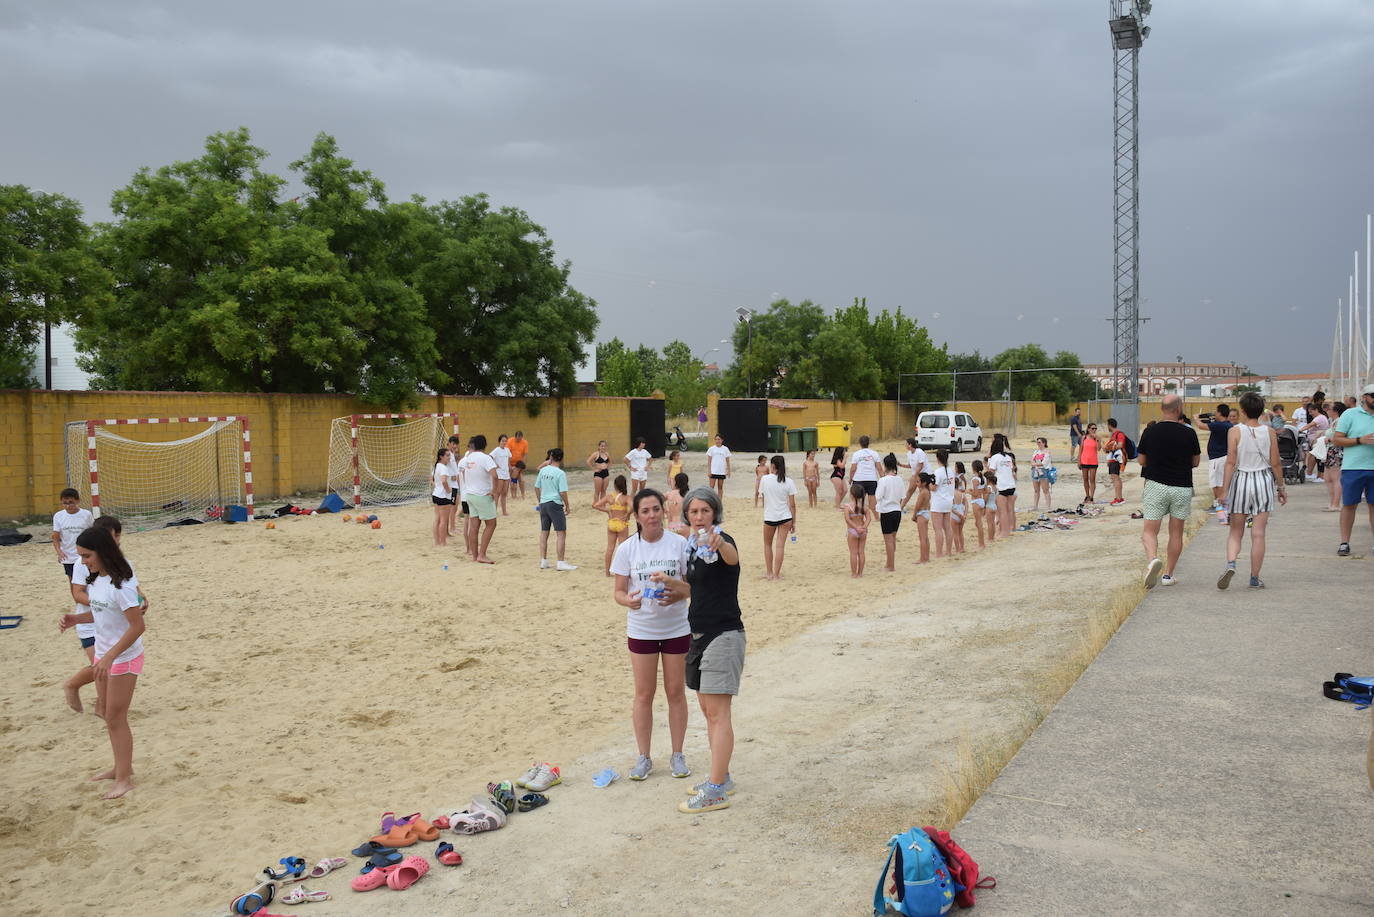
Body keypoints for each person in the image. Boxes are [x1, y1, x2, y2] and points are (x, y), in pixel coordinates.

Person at [654, 487, 743, 814]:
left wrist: (720, 544)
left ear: (715, 513)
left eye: (705, 511)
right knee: (709, 712)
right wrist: (671, 583)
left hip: (724, 634)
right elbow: (697, 589)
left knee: (719, 714)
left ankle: (717, 789)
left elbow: (731, 557)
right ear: (687, 515)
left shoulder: (721, 541)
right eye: (694, 511)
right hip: (700, 633)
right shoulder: (692, 547)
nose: (700, 516)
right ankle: (723, 777)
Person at [610, 489, 691, 783]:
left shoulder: (679, 544)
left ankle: (678, 754)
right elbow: (618, 591)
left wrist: (676, 590)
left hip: (676, 627)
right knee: (644, 694)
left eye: (656, 509)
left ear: (664, 511)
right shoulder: (628, 549)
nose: (652, 515)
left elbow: (693, 587)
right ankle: (644, 757)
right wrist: (627, 601)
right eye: (645, 511)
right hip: (642, 628)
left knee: (675, 692)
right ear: (637, 517)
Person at [59, 526, 145, 799]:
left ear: (102, 552)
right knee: (110, 717)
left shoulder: (122, 585)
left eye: (86, 556)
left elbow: (137, 626)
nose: (83, 562)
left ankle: (124, 779)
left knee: (115, 718)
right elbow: (103, 614)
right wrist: (77, 619)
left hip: (123, 658)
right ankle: (121, 768)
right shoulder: (99, 581)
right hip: (106, 655)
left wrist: (109, 656)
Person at [62, 515, 146, 716]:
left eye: (118, 535)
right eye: (111, 536)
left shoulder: (124, 564)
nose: (115, 539)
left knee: (105, 671)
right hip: (91, 624)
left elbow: (133, 589)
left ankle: (103, 712)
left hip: (113, 625)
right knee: (100, 668)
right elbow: (77, 593)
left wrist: (142, 598)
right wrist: (104, 604)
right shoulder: (84, 563)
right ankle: (72, 686)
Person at [1218, 392, 1285, 590]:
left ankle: (1231, 563)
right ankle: (1255, 578)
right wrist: (1281, 487)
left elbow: (1230, 462)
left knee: (1236, 531)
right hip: (1263, 481)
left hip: (1241, 480)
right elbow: (1275, 463)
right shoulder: (1269, 432)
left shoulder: (1235, 431)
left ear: (1243, 411)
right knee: (1258, 533)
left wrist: (1224, 490)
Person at [1138, 394, 1201, 588]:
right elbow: (1196, 462)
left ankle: (1152, 561)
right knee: (1176, 532)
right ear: (1179, 409)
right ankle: (1168, 575)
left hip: (1156, 484)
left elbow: (1141, 460)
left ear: (1161, 408)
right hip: (1181, 486)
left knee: (1150, 531)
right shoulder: (1189, 433)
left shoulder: (1150, 431)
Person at [1332, 383, 1374, 557]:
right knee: (1349, 505)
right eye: (1373, 396)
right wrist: (1359, 440)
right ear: (1364, 397)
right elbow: (1337, 440)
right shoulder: (1350, 414)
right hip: (1353, 467)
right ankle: (1344, 542)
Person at [52, 487, 94, 656]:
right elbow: (55, 537)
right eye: (65, 503)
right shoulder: (59, 516)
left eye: (71, 502)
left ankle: (93, 609)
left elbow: (93, 533)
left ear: (77, 501)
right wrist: (59, 552)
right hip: (69, 558)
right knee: (74, 586)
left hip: (85, 555)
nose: (68, 506)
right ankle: (81, 613)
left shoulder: (86, 515)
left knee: (91, 581)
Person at [533, 448, 576, 571]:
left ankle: (543, 560)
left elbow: (536, 487)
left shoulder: (543, 470)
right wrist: (567, 505)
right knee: (561, 533)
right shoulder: (560, 473)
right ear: (561, 459)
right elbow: (563, 492)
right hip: (555, 504)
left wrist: (540, 500)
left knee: (544, 532)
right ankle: (560, 562)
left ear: (551, 457)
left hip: (544, 503)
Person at [758, 455, 797, 581]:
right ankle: (776, 574)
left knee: (767, 545)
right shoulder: (789, 481)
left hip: (770, 516)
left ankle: (769, 573)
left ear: (773, 465)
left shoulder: (765, 479)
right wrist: (794, 521)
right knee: (780, 546)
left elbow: (763, 497)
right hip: (785, 516)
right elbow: (792, 504)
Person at [461, 434, 499, 564]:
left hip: (470, 494)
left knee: (474, 526)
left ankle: (475, 556)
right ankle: (482, 555)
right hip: (482, 495)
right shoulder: (485, 458)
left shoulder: (468, 458)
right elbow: (494, 475)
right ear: (485, 445)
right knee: (491, 524)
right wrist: (494, 491)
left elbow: (464, 474)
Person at [1193, 404, 1234, 519]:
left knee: (1218, 483)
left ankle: (1220, 506)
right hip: (1218, 458)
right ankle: (1219, 505)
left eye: (1216, 412)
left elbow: (1201, 426)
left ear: (1220, 413)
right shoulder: (1225, 425)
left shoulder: (1221, 425)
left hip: (1219, 458)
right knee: (1215, 483)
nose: (1215, 414)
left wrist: (1196, 418)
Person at [594, 475, 632, 575]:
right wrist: (627, 514)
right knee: (623, 548)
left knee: (610, 548)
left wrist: (607, 510)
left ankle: (607, 572)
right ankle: (622, 571)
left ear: (615, 485)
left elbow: (595, 505)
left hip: (612, 523)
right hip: (622, 524)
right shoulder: (626, 498)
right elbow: (633, 507)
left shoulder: (609, 497)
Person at [875, 454, 905, 571]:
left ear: (886, 466)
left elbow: (878, 496)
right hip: (897, 511)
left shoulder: (884, 480)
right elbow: (902, 497)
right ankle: (889, 563)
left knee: (888, 540)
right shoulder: (899, 479)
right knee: (892, 538)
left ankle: (891, 565)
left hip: (887, 511)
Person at [987, 434, 1017, 537]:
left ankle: (1004, 532)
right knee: (1008, 510)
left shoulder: (995, 458)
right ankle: (1005, 530)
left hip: (1001, 486)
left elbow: (991, 472)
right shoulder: (1008, 457)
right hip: (1011, 485)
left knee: (1002, 511)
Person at [841, 482, 873, 577]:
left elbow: (847, 519)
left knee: (853, 553)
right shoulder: (864, 507)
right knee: (861, 552)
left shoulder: (848, 507)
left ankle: (854, 573)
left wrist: (855, 527)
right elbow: (868, 518)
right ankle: (860, 573)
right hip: (863, 531)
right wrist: (864, 527)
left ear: (851, 494)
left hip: (853, 531)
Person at [929, 449, 955, 559]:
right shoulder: (951, 471)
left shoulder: (938, 472)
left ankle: (939, 553)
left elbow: (934, 488)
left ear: (938, 458)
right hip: (948, 501)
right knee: (947, 527)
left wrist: (929, 484)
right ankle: (948, 551)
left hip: (938, 502)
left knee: (938, 528)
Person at [1322, 403, 1346, 511]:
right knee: (1328, 478)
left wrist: (1330, 440)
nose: (1327, 410)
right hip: (1330, 450)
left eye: (1329, 409)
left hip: (1336, 450)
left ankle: (1336, 503)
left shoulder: (1339, 422)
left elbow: (1341, 436)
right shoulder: (1333, 422)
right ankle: (1332, 502)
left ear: (1335, 411)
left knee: (1336, 478)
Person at [907, 473, 934, 563]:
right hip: (926, 513)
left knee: (922, 538)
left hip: (921, 514)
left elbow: (917, 506)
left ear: (924, 483)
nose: (916, 484)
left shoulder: (922, 492)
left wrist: (914, 515)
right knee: (925, 537)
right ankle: (927, 557)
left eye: (918, 482)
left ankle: (922, 558)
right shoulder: (928, 491)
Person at [1300, 404, 1331, 482]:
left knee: (1317, 458)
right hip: (1316, 440)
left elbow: (1310, 425)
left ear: (1316, 410)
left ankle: (1319, 476)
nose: (1310, 414)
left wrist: (1299, 430)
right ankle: (1314, 475)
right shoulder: (1321, 417)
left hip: (1318, 440)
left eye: (1311, 412)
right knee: (1315, 457)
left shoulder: (1319, 418)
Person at [431, 448, 453, 546]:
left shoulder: (437, 466)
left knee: (437, 519)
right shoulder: (443, 467)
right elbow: (444, 481)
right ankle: (443, 542)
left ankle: (437, 542)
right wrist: (448, 490)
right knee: (443, 520)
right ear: (441, 457)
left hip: (436, 494)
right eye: (447, 455)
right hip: (443, 496)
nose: (449, 457)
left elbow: (431, 479)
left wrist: (437, 486)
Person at [967, 459, 990, 549]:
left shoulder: (975, 479)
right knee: (979, 523)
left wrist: (968, 492)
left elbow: (975, 494)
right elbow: (984, 491)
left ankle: (981, 543)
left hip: (976, 501)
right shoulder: (983, 478)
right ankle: (981, 542)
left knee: (978, 523)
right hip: (981, 500)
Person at [1104, 420, 1127, 506]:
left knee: (1116, 478)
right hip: (1113, 460)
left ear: (1110, 425)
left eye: (1107, 425)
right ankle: (1118, 497)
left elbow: (1120, 445)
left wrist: (1111, 448)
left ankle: (1119, 499)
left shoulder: (1119, 434)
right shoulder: (1114, 434)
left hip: (1116, 460)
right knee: (1115, 478)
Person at [446, 435, 465, 535]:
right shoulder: (447, 454)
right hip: (451, 485)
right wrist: (450, 476)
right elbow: (441, 467)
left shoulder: (452, 455)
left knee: (455, 507)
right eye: (453, 444)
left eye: (456, 444)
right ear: (449, 443)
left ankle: (453, 527)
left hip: (456, 485)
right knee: (452, 508)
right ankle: (450, 528)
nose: (455, 446)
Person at [491, 434, 513, 516]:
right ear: (499, 441)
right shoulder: (496, 450)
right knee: (498, 492)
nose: (504, 442)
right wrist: (495, 465)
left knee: (504, 493)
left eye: (505, 441)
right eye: (502, 441)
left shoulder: (507, 450)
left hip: (506, 473)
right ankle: (494, 511)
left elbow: (508, 460)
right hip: (499, 473)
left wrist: (509, 467)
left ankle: (504, 511)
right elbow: (490, 457)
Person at [1029, 437, 1054, 511]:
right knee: (1036, 490)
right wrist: (1035, 464)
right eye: (1037, 442)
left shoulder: (1047, 452)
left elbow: (1044, 463)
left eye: (1039, 442)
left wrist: (1035, 464)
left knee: (1045, 490)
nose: (1038, 444)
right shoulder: (1036, 451)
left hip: (1043, 472)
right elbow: (1031, 461)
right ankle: (1035, 506)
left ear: (1044, 443)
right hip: (1035, 471)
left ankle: (1048, 507)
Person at [1078, 423, 1101, 503]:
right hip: (1084, 460)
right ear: (1088, 429)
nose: (1094, 430)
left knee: (1092, 479)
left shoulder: (1097, 438)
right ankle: (1087, 496)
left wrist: (1097, 439)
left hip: (1093, 461)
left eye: (1095, 428)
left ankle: (1091, 497)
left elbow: (1098, 449)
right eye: (1092, 428)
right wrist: (1079, 461)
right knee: (1085, 479)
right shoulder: (1084, 438)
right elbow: (1080, 449)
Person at [950, 463, 969, 554]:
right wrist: (964, 514)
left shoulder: (951, 494)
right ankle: (962, 548)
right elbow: (967, 504)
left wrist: (958, 514)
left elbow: (950, 507)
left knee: (955, 533)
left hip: (955, 514)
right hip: (962, 513)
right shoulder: (962, 494)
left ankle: (958, 549)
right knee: (960, 532)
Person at [507, 431, 530, 500]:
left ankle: (523, 495)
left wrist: (522, 466)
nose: (519, 440)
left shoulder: (525, 442)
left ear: (522, 437)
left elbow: (525, 455)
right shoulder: (510, 441)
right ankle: (513, 496)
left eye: (520, 439)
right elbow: (507, 454)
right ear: (515, 437)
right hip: (511, 463)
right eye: (517, 439)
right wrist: (509, 466)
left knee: (521, 480)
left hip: (519, 464)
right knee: (513, 481)